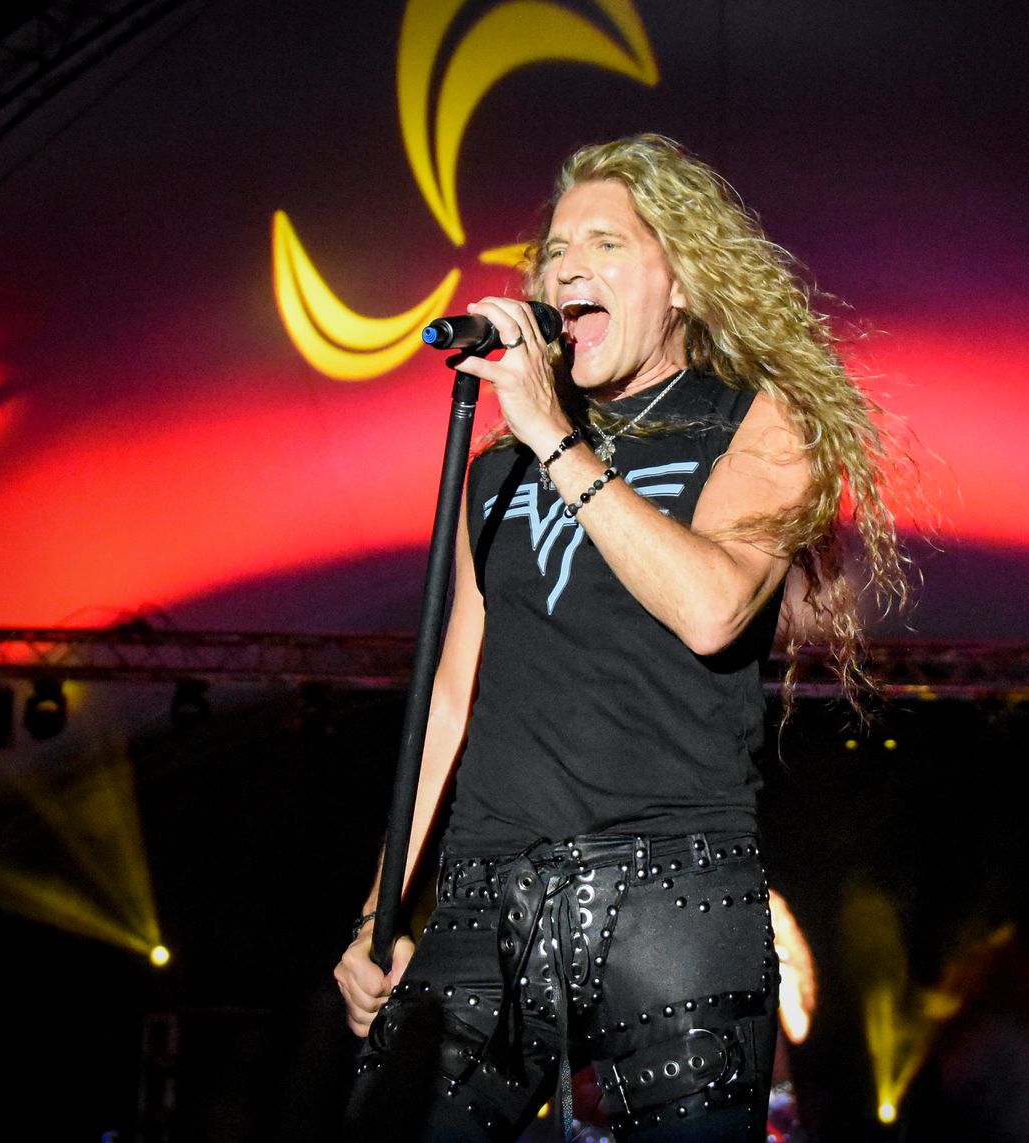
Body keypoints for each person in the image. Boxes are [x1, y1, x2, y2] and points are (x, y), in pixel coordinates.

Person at [335, 134, 907, 1141]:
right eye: (555, 252)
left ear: (679, 282)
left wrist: (555, 440)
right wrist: (378, 916)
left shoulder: (757, 424)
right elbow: (451, 695)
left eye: (605, 244)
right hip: (487, 893)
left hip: (672, 897)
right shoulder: (494, 472)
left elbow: (713, 607)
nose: (567, 270)